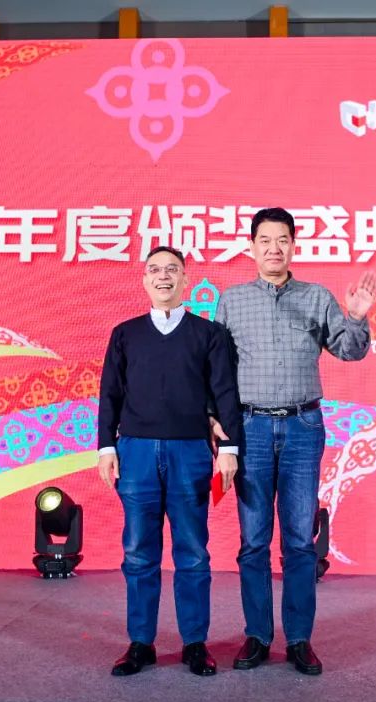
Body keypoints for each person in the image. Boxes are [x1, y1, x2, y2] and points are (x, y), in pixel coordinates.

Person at [214, 207, 376, 676]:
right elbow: (218, 372)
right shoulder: (232, 302)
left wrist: (356, 317)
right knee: (253, 540)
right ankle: (257, 635)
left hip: (303, 429)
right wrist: (217, 427)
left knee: (301, 541)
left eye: (282, 240)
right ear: (251, 247)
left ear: (293, 245)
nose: (274, 249)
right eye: (265, 241)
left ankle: (300, 639)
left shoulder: (317, 296)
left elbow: (349, 350)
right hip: (250, 429)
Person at [98, 246, 242, 677]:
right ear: (145, 280)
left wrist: (230, 449)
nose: (164, 277)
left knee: (193, 552)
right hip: (136, 451)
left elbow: (225, 392)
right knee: (138, 552)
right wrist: (106, 447)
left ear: (185, 280)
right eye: (155, 270)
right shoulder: (125, 334)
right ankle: (140, 643)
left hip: (190, 451)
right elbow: (109, 394)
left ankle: (195, 643)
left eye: (172, 270)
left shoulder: (209, 334)